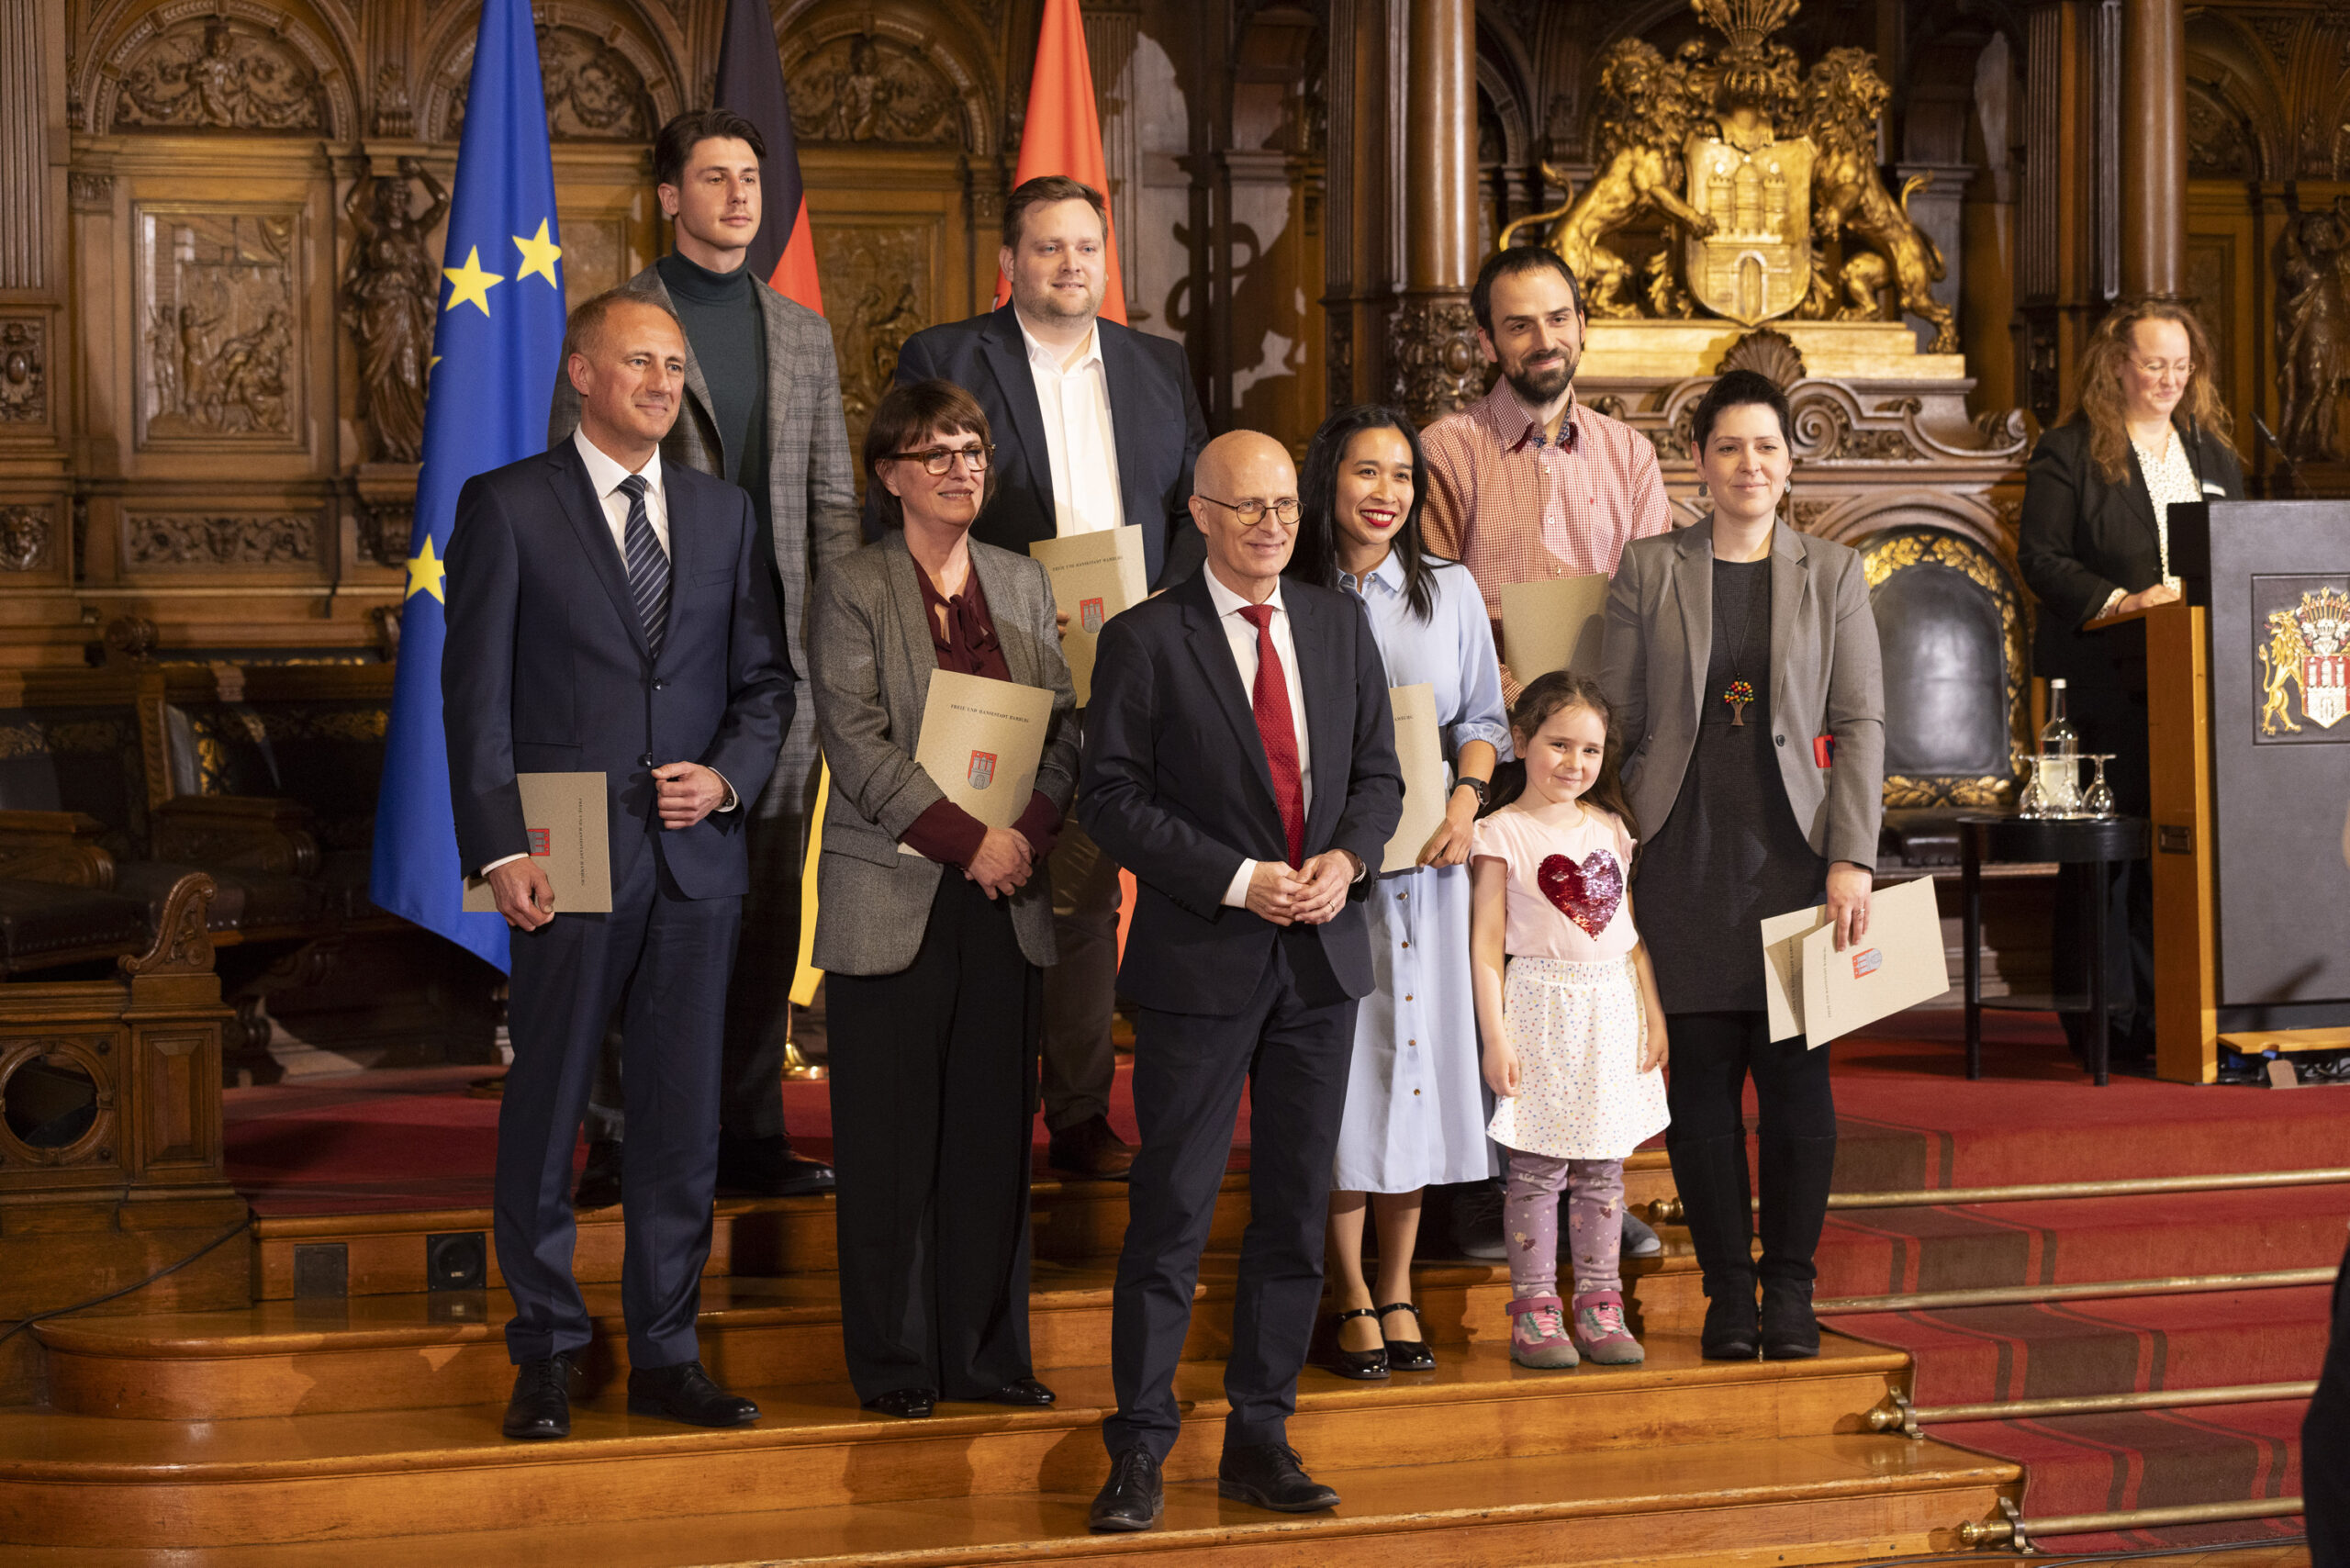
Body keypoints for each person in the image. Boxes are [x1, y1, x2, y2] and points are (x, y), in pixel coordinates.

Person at [444, 289, 793, 1439]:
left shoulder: (724, 511)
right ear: (582, 373)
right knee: (548, 1106)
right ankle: (544, 1346)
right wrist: (498, 846)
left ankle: (666, 1350)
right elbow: (475, 694)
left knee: (683, 1117)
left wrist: (730, 776)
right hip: (563, 850)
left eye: (674, 364)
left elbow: (764, 682)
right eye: (637, 360)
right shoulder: (507, 505)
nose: (660, 381)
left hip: (696, 858)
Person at [1079, 431, 1402, 1531]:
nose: (1271, 525)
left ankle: (1260, 1435)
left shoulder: (1336, 622)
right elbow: (1110, 799)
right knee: (1171, 1209)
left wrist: (1347, 860)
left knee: (1294, 1210)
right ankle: (1139, 1448)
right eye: (1247, 507)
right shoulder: (1144, 639)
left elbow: (1377, 774)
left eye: (1283, 507)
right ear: (1199, 512)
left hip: (1319, 959)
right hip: (1200, 964)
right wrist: (1238, 877)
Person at [549, 108, 858, 1206]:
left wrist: (833, 665)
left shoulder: (804, 333)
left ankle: (747, 1125)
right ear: (669, 198)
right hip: (651, 658)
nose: (738, 195)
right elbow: (574, 496)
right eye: (714, 178)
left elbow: (830, 505)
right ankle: (619, 1134)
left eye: (750, 177)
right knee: (631, 906)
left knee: (766, 907)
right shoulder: (623, 321)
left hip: (777, 678)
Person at [880, 175, 1212, 1180]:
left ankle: (1075, 1112)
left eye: (1085, 248)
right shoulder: (945, 356)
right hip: (997, 652)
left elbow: (1195, 505)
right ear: (1010, 263)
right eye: (1047, 249)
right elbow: (910, 498)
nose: (1070, 266)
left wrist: (1174, 628)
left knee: (1084, 889)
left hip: (1133, 658)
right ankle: (969, 1107)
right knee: (982, 874)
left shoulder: (1159, 364)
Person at [805, 379, 1079, 1419]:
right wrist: (973, 844)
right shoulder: (854, 586)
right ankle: (895, 1362)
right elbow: (858, 744)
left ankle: (987, 1358)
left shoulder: (1015, 581)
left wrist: (1026, 839)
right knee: (888, 1146)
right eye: (936, 453)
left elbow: (1067, 725)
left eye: (972, 449)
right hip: (901, 895)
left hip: (1007, 897)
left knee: (990, 1142)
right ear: (889, 476)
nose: (962, 467)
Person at [1600, 368, 1884, 1364]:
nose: (1748, 465)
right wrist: (1606, 845)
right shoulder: (1648, 567)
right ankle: (1728, 1290)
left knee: (1799, 1083)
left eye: (1766, 448)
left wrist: (1851, 857)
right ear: (1699, 462)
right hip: (1678, 851)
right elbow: (1618, 720)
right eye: (1728, 448)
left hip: (1795, 857)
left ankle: (1791, 1287)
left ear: (1789, 461)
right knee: (1703, 1082)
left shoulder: (1833, 571)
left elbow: (1858, 722)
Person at [1283, 405, 1505, 1381]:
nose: (1385, 493)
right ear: (1328, 478)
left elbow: (1481, 715)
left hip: (1429, 870)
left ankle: (1400, 1282)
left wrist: (1466, 799)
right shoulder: (1288, 590)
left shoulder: (1446, 590)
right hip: (1326, 875)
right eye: (1366, 472)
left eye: (1402, 476)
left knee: (1415, 1076)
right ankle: (1346, 1290)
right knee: (1349, 1082)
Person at [2014, 299, 2242, 1067]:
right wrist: (2122, 601)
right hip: (2105, 681)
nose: (2170, 379)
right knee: (2114, 855)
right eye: (2154, 364)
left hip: (2197, 681)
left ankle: (2175, 1013)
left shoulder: (2211, 452)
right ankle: (2109, 1024)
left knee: (2183, 850)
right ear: (2117, 365)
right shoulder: (2070, 450)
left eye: (2182, 366)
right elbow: (2041, 558)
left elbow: (2238, 551)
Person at [1469, 673, 1670, 1370]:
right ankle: (1534, 1311)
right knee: (1535, 1170)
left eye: (1589, 750)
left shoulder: (1611, 828)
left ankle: (1600, 1301)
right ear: (1521, 741)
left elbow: (1629, 933)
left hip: (1610, 1007)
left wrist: (1652, 1012)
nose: (1574, 764)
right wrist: (1495, 1035)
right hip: (1540, 1005)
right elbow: (1486, 943)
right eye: (1558, 744)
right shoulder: (1501, 832)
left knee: (1604, 1169)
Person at [1421, 245, 1672, 696]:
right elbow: (1431, 616)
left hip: (1610, 721)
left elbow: (1656, 609)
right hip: (1488, 724)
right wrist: (1529, 707)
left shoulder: (1632, 455)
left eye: (1558, 319)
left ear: (1581, 324)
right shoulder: (1444, 451)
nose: (1545, 341)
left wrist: (1595, 718)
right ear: (1486, 342)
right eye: (1520, 326)